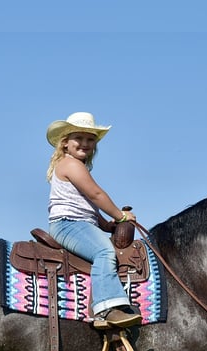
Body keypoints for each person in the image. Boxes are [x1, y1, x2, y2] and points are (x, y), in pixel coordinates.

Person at [45, 111, 142, 329]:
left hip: (79, 222)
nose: (85, 143)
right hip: (67, 224)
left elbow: (86, 207)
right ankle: (106, 309)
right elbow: (96, 195)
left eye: (90, 139)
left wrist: (106, 224)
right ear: (65, 144)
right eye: (78, 138)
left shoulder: (75, 165)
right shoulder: (70, 164)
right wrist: (121, 215)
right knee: (104, 252)